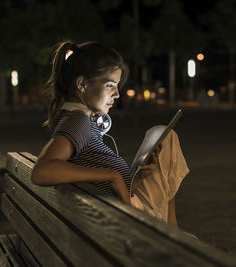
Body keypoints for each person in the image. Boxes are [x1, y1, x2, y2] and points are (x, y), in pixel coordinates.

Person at [31, 40, 189, 227]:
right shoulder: (78, 119)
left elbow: (103, 186)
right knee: (168, 139)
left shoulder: (76, 118)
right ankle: (177, 240)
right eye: (110, 85)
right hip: (127, 220)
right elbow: (42, 172)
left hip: (117, 209)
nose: (117, 94)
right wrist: (110, 174)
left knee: (164, 138)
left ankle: (178, 238)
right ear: (82, 84)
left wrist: (135, 179)